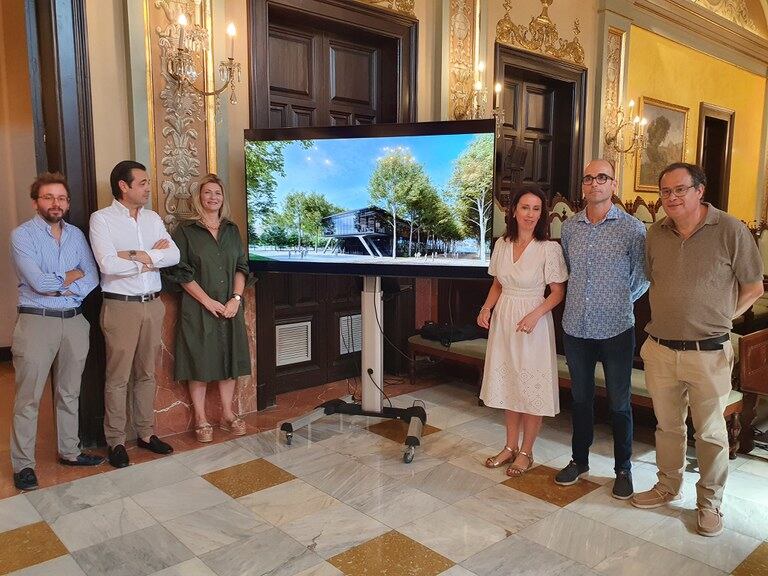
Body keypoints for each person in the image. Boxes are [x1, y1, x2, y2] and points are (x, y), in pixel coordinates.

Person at [631, 162, 763, 537]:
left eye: (680, 189)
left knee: (709, 433)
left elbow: (753, 288)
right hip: (660, 349)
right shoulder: (655, 233)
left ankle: (709, 502)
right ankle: (667, 486)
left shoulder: (731, 230)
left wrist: (723, 318)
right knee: (668, 427)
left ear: (700, 190)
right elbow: (653, 279)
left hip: (709, 352)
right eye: (665, 191)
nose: (671, 198)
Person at [555, 159, 649, 499]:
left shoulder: (632, 229)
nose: (595, 183)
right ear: (583, 185)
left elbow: (642, 277)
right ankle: (579, 461)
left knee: (619, 404)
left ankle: (623, 469)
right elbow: (567, 270)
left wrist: (617, 301)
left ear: (614, 184)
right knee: (580, 400)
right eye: (589, 178)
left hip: (616, 330)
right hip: (576, 328)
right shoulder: (570, 229)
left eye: (602, 177)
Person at [9, 173, 104, 490]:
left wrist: (65, 283)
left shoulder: (76, 235)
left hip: (74, 320)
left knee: (69, 392)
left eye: (62, 198)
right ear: (36, 201)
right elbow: (38, 282)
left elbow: (91, 277)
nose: (56, 203)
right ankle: (23, 465)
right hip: (37, 321)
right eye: (49, 197)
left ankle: (70, 451)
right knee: (28, 398)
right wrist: (71, 277)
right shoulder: (22, 235)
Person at [89, 160, 180, 468]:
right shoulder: (101, 219)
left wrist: (139, 255)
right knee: (117, 377)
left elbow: (174, 255)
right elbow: (108, 265)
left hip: (153, 304)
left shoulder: (153, 219)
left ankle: (145, 433)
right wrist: (152, 258)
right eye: (142, 183)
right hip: (120, 306)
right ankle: (115, 440)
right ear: (123, 186)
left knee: (146, 373)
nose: (148, 188)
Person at [478, 185, 567, 476]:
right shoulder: (502, 244)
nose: (530, 214)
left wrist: (535, 315)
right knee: (509, 384)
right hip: (504, 318)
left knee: (531, 388)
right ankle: (509, 446)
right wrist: (486, 308)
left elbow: (557, 292)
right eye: (525, 207)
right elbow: (498, 283)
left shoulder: (548, 248)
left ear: (543, 214)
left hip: (533, 322)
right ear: (514, 210)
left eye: (536, 209)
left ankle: (526, 451)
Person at [169, 174, 251, 442]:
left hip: (230, 308)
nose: (212, 197)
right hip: (198, 308)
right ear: (199, 197)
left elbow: (241, 266)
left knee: (229, 359)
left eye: (217, 193)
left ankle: (228, 414)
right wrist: (207, 301)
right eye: (207, 193)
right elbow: (181, 272)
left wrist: (235, 300)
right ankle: (201, 419)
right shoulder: (185, 230)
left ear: (223, 198)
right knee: (199, 362)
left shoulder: (231, 229)